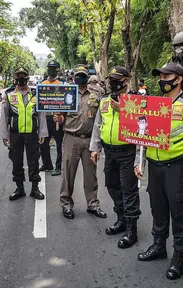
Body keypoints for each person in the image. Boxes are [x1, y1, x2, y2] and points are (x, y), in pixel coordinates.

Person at [135, 62, 183, 280]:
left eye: (166, 76)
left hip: (178, 167)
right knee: (157, 209)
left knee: (179, 215)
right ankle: (159, 246)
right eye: (161, 76)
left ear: (178, 79)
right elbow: (142, 133)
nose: (162, 80)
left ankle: (179, 256)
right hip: (155, 166)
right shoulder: (153, 104)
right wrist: (139, 161)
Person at [90, 66, 141, 249]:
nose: (112, 82)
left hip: (127, 151)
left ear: (126, 80)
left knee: (129, 190)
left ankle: (131, 229)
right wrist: (95, 149)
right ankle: (121, 219)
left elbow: (145, 127)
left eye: (116, 79)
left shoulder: (136, 100)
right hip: (109, 152)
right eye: (111, 78)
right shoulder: (104, 101)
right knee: (112, 186)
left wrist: (124, 110)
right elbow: (98, 125)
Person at [54, 64, 106, 219]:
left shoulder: (97, 93)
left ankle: (93, 204)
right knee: (68, 173)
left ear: (87, 76)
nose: (80, 77)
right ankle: (66, 204)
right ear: (73, 77)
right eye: (78, 75)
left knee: (91, 175)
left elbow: (102, 115)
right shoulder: (67, 93)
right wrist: (59, 118)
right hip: (71, 138)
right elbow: (62, 116)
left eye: (83, 75)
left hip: (90, 139)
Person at [0, 68, 48, 201]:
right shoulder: (9, 95)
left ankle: (34, 188)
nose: (21, 79)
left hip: (32, 134)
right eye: (19, 77)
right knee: (16, 161)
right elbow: (4, 115)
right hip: (15, 135)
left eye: (23, 77)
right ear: (15, 78)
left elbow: (41, 114)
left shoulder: (35, 94)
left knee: (34, 161)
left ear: (27, 78)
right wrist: (5, 135)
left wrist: (42, 133)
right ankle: (19, 188)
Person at [40, 60, 64, 176]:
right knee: (43, 142)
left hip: (57, 119)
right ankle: (47, 164)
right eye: (50, 68)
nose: (51, 70)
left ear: (57, 70)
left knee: (59, 143)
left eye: (54, 68)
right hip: (45, 118)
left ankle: (58, 166)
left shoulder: (62, 85)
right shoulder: (42, 84)